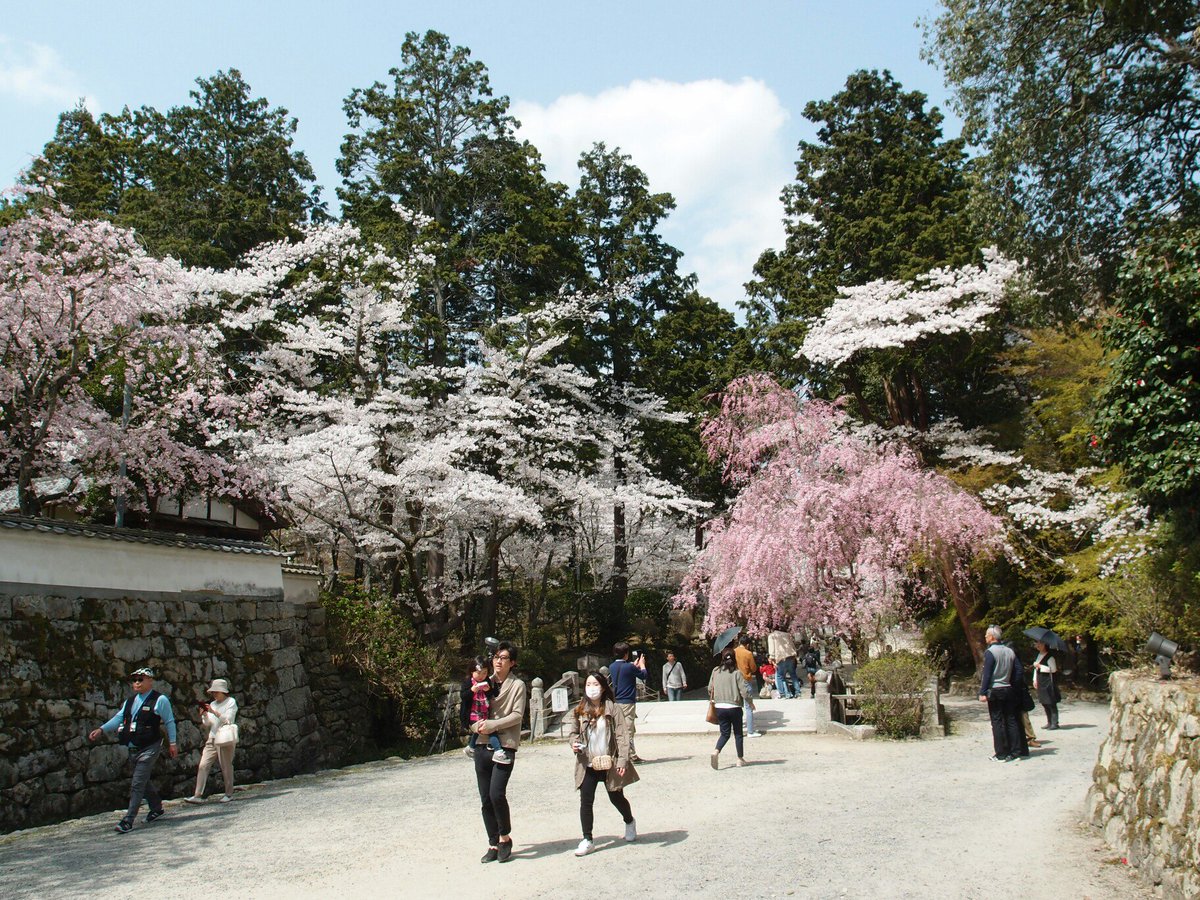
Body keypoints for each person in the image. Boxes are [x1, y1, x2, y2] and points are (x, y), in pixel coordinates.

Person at [88, 666, 178, 833]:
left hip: (150, 747)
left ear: (150, 681)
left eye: (140, 679)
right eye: (134, 680)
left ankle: (128, 820)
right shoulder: (129, 701)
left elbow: (169, 721)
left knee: (137, 783)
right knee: (142, 781)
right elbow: (119, 718)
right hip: (133, 747)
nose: (137, 683)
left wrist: (173, 743)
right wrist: (101, 729)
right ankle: (157, 807)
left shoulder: (160, 700)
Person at [567, 673, 639, 856]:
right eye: (588, 684)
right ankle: (587, 839)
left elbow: (623, 735)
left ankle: (629, 821)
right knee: (586, 800)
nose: (592, 687)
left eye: (595, 684)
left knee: (616, 797)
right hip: (588, 762)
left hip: (609, 761)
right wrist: (574, 743)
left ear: (603, 687)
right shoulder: (580, 709)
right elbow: (572, 732)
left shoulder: (613, 709)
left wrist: (623, 759)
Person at [472, 641, 527, 864]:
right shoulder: (484, 682)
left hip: (505, 744)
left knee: (497, 794)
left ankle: (505, 837)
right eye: (495, 656)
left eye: (503, 657)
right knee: (485, 798)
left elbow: (516, 715)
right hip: (481, 743)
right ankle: (492, 842)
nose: (497, 661)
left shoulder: (518, 686)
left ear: (512, 663)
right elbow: (472, 710)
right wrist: (476, 726)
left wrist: (493, 725)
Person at [185, 678, 239, 803]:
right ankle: (197, 795)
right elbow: (208, 724)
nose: (214, 694)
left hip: (225, 738)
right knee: (203, 765)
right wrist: (204, 714)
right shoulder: (213, 704)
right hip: (212, 738)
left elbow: (228, 720)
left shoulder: (231, 702)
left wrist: (214, 712)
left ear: (223, 691)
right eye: (213, 692)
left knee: (226, 766)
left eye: (217, 692)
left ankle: (229, 793)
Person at [978, 626, 1026, 761]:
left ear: (992, 637)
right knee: (1011, 720)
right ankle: (1016, 751)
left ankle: (1001, 753)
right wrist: (1014, 685)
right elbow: (1018, 670)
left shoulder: (990, 652)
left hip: (995, 689)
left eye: (987, 635)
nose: (985, 637)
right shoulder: (1010, 651)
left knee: (997, 721)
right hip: (1008, 688)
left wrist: (983, 692)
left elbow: (987, 674)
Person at [461, 657, 506, 762]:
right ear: (472, 671)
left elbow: (493, 695)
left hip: (484, 713)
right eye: (478, 673)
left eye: (484, 673)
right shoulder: (468, 682)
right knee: (490, 730)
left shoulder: (487, 681)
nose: (481, 676)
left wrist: (488, 690)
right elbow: (463, 697)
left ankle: (470, 747)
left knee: (480, 730)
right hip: (472, 715)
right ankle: (498, 751)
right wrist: (472, 690)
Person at [708, 649, 746, 769]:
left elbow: (710, 688)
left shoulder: (715, 671)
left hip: (720, 706)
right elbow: (744, 691)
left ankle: (716, 751)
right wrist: (750, 702)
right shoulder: (736, 672)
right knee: (738, 734)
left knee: (725, 733)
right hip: (734, 706)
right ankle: (740, 759)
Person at [609, 642, 647, 761]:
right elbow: (644, 675)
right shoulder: (629, 667)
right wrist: (642, 665)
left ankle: (623, 753)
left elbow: (625, 672)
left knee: (619, 727)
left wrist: (633, 666)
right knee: (628, 728)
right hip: (627, 702)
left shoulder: (612, 666)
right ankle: (630, 755)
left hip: (617, 701)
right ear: (626, 654)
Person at [733, 635, 761, 736]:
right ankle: (750, 731)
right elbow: (753, 668)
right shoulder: (748, 653)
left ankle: (737, 730)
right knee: (748, 706)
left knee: (736, 705)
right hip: (745, 679)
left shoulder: (734, 651)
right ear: (748, 644)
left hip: (735, 680)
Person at [1031, 639, 1062, 729]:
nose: (1038, 645)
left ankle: (1054, 722)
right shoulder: (1039, 655)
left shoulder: (1050, 657)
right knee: (1044, 702)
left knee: (1051, 702)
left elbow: (1053, 669)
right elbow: (1035, 669)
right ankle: (1049, 721)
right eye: (1037, 643)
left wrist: (1040, 666)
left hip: (1048, 681)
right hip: (1040, 680)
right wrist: (1034, 680)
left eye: (1040, 643)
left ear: (1045, 645)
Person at [767, 629, 802, 699]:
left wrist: (772, 658)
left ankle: (783, 694)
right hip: (790, 656)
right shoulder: (786, 634)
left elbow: (772, 649)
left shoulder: (772, 636)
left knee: (779, 676)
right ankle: (798, 693)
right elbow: (792, 645)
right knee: (793, 675)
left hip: (781, 658)